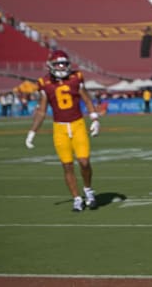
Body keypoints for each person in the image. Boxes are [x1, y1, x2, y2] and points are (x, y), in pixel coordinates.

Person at [25, 50, 101, 212]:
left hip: (78, 124)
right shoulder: (44, 82)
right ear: (50, 66)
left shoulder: (76, 77)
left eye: (64, 64)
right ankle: (77, 198)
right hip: (59, 128)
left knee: (84, 162)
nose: (61, 66)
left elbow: (86, 98)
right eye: (58, 64)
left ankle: (88, 190)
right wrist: (33, 132)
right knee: (67, 166)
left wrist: (95, 118)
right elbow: (41, 110)